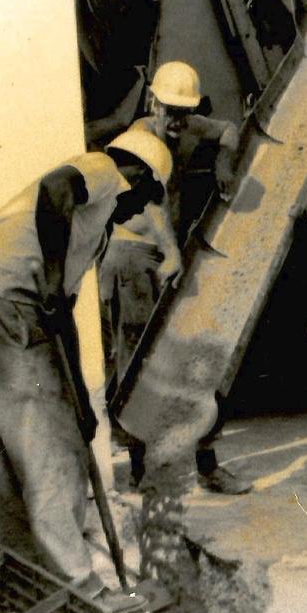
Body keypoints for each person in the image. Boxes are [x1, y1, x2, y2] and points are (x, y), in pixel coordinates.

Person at [0, 129, 173, 597]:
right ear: (142, 179)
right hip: (9, 300)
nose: (140, 212)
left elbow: (61, 312)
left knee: (9, 451)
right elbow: (56, 188)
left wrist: (82, 405)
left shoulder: (91, 230)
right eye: (147, 198)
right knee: (52, 450)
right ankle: (79, 581)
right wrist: (48, 281)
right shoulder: (102, 169)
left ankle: (27, 567)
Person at [98, 60, 251, 495]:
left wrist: (224, 161)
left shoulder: (187, 127)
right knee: (138, 360)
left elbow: (229, 130)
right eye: (170, 112)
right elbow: (151, 205)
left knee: (192, 355)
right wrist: (169, 252)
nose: (178, 122)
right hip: (133, 257)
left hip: (167, 255)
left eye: (185, 113)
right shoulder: (135, 143)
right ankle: (144, 468)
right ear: (153, 102)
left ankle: (207, 463)